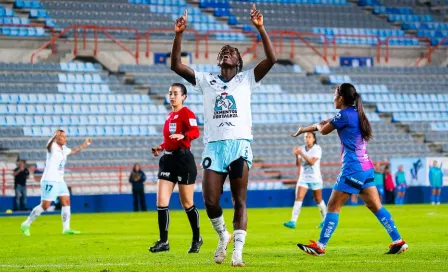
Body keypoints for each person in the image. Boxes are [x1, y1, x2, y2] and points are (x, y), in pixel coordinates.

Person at [170, 3, 277, 266]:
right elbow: (176, 65)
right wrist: (178, 34)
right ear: (219, 60)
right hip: (214, 147)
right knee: (210, 201)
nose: (226, 53)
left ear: (238, 62)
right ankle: (222, 236)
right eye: (223, 51)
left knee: (240, 200)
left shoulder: (248, 79)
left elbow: (272, 59)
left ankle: (238, 253)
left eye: (232, 52)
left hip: (239, 146)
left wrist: (261, 28)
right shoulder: (206, 80)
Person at [292, 83, 408, 256]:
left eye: (334, 95)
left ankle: (320, 246)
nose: (333, 98)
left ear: (341, 98)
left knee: (333, 205)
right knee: (375, 205)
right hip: (366, 167)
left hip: (353, 167)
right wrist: (304, 129)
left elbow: (323, 130)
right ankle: (398, 241)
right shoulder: (356, 113)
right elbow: (325, 124)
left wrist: (308, 129)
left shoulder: (343, 114)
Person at [149, 83, 201, 254]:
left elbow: (195, 131)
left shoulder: (187, 113)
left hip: (183, 159)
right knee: (161, 202)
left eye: (176, 93)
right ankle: (164, 242)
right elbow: (170, 139)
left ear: (184, 96)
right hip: (168, 160)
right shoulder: (169, 116)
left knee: (186, 203)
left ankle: (197, 238)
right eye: (170, 93)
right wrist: (161, 147)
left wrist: (184, 135)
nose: (172, 96)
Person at [21, 130, 92, 236]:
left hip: (60, 180)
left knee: (66, 202)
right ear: (57, 138)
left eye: (65, 136)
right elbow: (47, 146)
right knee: (45, 205)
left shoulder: (64, 149)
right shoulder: (52, 147)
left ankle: (66, 229)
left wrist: (85, 144)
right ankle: (26, 224)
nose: (65, 138)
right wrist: (53, 137)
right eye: (63, 137)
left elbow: (73, 151)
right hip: (50, 179)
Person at [284, 132, 327, 229]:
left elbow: (312, 162)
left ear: (313, 139)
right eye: (305, 137)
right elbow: (298, 164)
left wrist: (301, 153)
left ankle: (325, 220)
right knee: (299, 197)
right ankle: (293, 221)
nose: (307, 138)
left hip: (315, 178)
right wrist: (296, 155)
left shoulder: (317, 149)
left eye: (309, 137)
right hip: (303, 177)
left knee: (318, 199)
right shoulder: (301, 148)